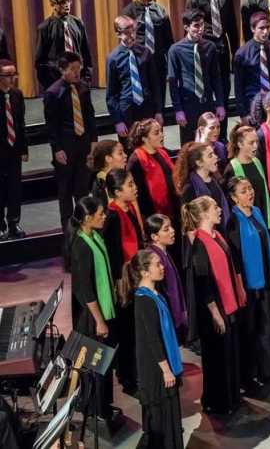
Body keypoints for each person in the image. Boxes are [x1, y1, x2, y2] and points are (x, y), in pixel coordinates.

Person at [183, 196, 245, 415]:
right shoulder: (199, 244)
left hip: (227, 303)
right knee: (217, 357)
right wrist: (215, 313)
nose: (220, 209)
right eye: (215, 207)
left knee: (230, 353)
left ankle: (232, 396)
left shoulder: (217, 235)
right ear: (204, 214)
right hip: (214, 308)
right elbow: (204, 283)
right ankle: (218, 402)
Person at [64, 196, 120, 422]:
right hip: (91, 316)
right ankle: (97, 410)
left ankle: (105, 405)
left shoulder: (94, 235)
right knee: (96, 365)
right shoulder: (81, 247)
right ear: (87, 218)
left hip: (103, 309)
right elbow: (85, 290)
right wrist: (99, 320)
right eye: (100, 214)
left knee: (105, 363)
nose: (104, 216)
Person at [123, 250, 185, 449]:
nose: (162, 267)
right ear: (144, 272)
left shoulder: (155, 294)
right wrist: (166, 369)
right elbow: (153, 339)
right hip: (155, 369)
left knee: (171, 413)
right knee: (161, 416)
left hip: (162, 363)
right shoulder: (143, 300)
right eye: (157, 264)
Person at [225, 176, 270, 390]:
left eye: (249, 189)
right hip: (248, 286)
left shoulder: (257, 212)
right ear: (233, 197)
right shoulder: (233, 221)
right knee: (249, 331)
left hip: (265, 280)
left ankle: (267, 372)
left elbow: (268, 245)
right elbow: (236, 259)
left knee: (266, 328)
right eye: (243, 191)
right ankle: (249, 376)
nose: (249, 193)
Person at [187, 0, 240, 138]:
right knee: (208, 89)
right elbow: (190, 25)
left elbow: (231, 23)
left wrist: (235, 51)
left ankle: (222, 134)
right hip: (204, 49)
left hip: (222, 47)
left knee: (223, 90)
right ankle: (205, 134)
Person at [103, 169, 144, 394]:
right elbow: (113, 255)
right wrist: (122, 282)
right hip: (124, 284)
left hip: (135, 277)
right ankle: (128, 378)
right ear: (117, 192)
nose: (134, 187)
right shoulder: (111, 217)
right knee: (127, 333)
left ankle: (132, 372)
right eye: (129, 185)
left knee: (134, 331)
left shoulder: (128, 210)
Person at [44, 52, 97, 226]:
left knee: (82, 187)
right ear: (62, 70)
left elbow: (90, 116)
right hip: (65, 147)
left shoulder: (83, 88)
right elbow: (52, 125)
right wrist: (57, 148)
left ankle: (83, 221)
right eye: (72, 69)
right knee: (65, 189)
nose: (76, 72)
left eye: (78, 68)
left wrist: (93, 141)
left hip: (83, 143)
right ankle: (68, 227)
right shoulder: (53, 92)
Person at [167, 9, 225, 143]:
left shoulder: (210, 47)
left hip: (207, 103)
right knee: (189, 144)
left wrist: (220, 104)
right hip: (188, 105)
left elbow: (216, 77)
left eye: (202, 25)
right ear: (186, 27)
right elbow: (173, 82)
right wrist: (178, 109)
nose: (200, 29)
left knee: (210, 142)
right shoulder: (176, 50)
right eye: (196, 26)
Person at [105, 16, 162, 146]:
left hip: (147, 108)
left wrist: (158, 110)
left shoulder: (145, 53)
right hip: (127, 112)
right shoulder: (113, 58)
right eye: (126, 32)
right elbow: (111, 95)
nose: (132, 35)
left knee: (150, 147)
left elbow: (155, 85)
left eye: (134, 31)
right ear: (118, 34)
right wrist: (118, 121)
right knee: (130, 148)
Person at [122, 0, 175, 107]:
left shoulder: (160, 11)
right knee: (144, 98)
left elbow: (168, 40)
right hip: (139, 61)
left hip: (158, 61)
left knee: (159, 96)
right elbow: (125, 39)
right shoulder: (129, 12)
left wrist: (170, 65)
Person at [34, 0, 92, 93]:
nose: (67, 4)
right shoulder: (45, 28)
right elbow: (40, 62)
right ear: (53, 4)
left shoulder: (78, 23)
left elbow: (86, 53)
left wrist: (86, 80)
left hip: (78, 81)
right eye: (62, 2)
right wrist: (51, 85)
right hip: (56, 83)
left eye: (68, 0)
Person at [234, 12, 270, 122]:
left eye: (267, 28)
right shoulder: (242, 54)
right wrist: (243, 113)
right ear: (253, 29)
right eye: (261, 28)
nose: (265, 32)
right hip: (253, 104)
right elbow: (239, 86)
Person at [224, 125, 270, 233]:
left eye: (256, 142)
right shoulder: (231, 168)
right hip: (246, 228)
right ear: (240, 144)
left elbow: (264, 195)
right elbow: (230, 203)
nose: (256, 146)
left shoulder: (257, 162)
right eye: (251, 143)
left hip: (264, 223)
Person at [145, 214, 187, 337]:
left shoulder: (164, 253)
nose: (173, 231)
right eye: (166, 229)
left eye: (171, 227)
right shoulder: (153, 257)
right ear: (154, 236)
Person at [175, 141, 231, 234]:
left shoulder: (215, 180)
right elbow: (189, 224)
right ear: (199, 162)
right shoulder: (189, 188)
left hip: (221, 233)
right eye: (210, 155)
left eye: (214, 154)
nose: (216, 157)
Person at [127, 119, 177, 220]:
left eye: (161, 131)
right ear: (145, 138)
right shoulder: (136, 160)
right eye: (156, 133)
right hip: (152, 215)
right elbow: (137, 195)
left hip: (172, 210)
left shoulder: (162, 153)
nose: (161, 135)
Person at [0, 60, 27, 240]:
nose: (12, 79)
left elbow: (21, 124)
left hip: (14, 150)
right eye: (9, 75)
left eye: (14, 75)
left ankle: (14, 221)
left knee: (15, 188)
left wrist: (24, 148)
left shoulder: (17, 95)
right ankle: (0, 225)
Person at [88, 139, 127, 206]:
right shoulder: (101, 184)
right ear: (108, 158)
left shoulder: (119, 176)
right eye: (120, 153)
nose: (125, 155)